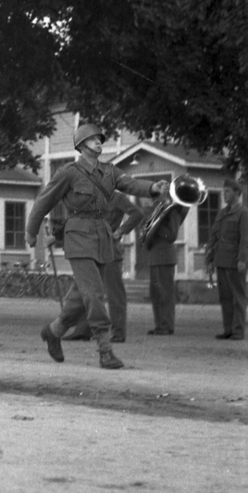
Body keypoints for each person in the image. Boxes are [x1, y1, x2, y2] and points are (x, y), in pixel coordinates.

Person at [26, 122, 165, 369]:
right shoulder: (69, 173)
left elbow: (130, 184)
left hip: (102, 238)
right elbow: (44, 201)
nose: (99, 142)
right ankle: (105, 349)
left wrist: (152, 187)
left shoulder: (110, 171)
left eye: (100, 139)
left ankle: (53, 331)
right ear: (81, 146)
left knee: (81, 297)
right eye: (93, 139)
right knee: (94, 294)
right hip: (78, 237)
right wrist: (31, 231)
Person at [61, 190, 142, 343]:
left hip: (110, 251)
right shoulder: (90, 196)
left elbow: (137, 214)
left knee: (114, 293)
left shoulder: (118, 197)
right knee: (87, 290)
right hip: (89, 248)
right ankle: (83, 330)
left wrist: (120, 231)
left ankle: (118, 332)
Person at [205, 179, 248, 340]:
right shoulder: (222, 213)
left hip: (235, 262)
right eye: (223, 192)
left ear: (237, 193)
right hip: (221, 259)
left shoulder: (243, 213)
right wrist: (209, 256)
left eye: (228, 191)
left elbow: (245, 239)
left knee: (238, 297)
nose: (224, 194)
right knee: (225, 297)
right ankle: (228, 329)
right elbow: (214, 236)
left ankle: (238, 331)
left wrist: (242, 259)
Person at [146, 193, 187, 336]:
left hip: (165, 256)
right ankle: (159, 325)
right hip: (154, 256)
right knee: (156, 294)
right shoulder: (155, 212)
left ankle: (167, 326)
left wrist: (155, 227)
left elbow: (172, 235)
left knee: (165, 293)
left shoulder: (172, 211)